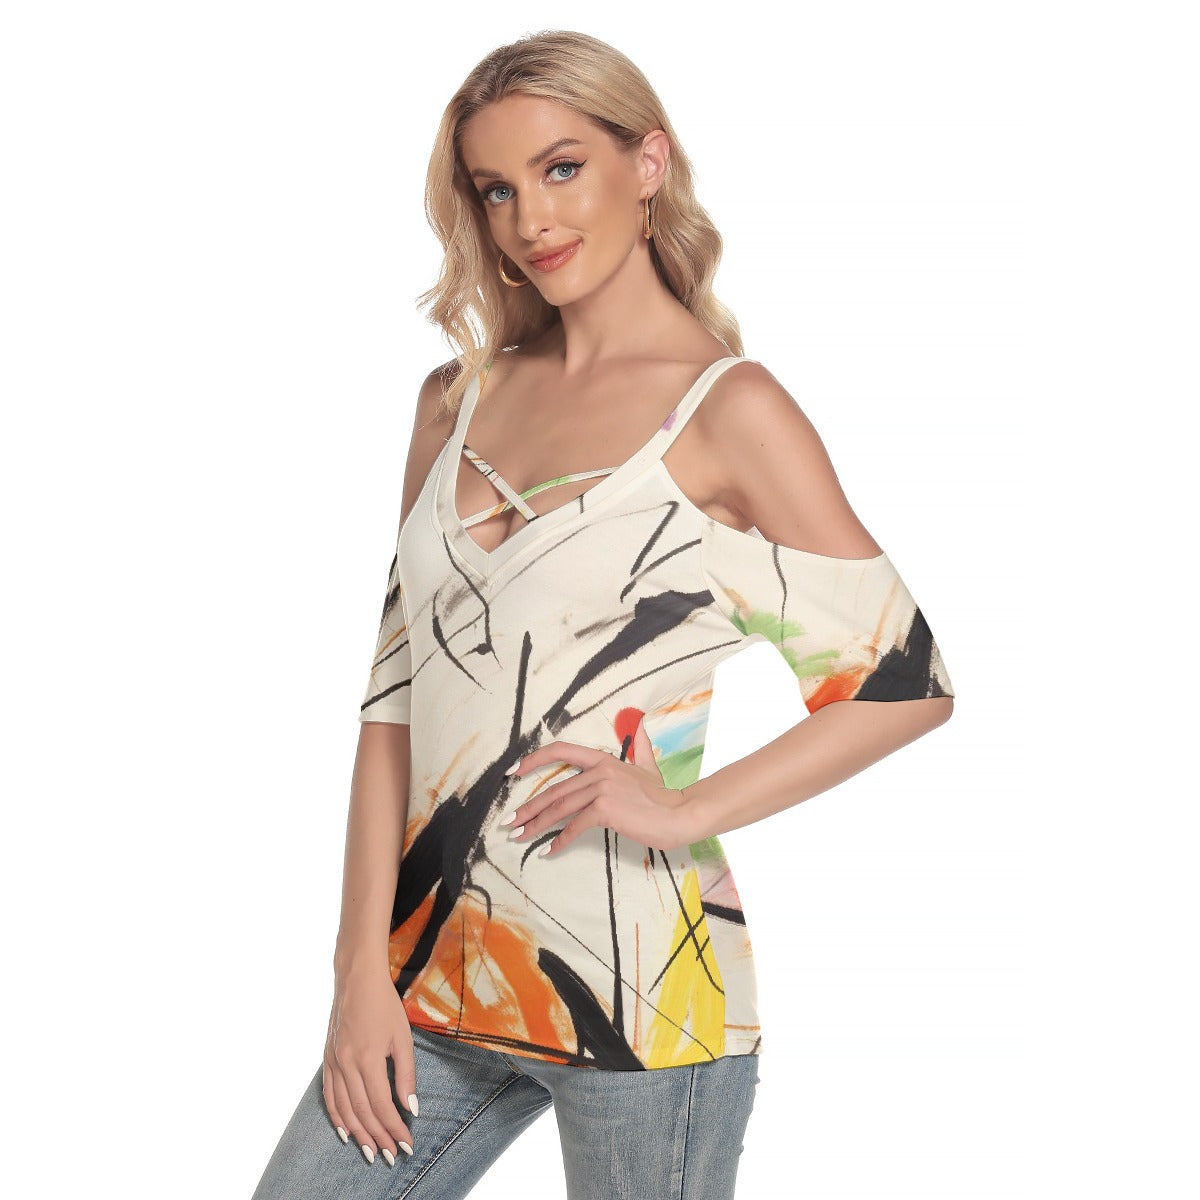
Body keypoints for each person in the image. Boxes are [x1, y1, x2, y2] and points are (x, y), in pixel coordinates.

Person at [250, 28, 955, 1200]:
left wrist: (686, 808)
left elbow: (903, 686)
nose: (531, 219)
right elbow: (393, 708)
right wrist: (356, 973)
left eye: (563, 168)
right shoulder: (454, 402)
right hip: (425, 985)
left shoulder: (729, 413)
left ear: (649, 164)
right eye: (497, 189)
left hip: (644, 999)